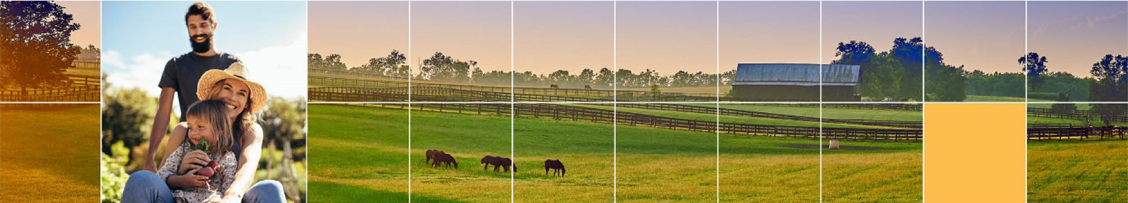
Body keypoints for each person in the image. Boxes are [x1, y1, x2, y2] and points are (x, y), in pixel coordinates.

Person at [124, 64, 283, 203]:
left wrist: (231, 197)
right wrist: (181, 174)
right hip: (180, 198)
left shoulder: (250, 131)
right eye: (227, 88)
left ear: (246, 104)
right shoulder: (184, 131)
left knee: (271, 188)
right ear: (214, 93)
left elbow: (247, 167)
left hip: (223, 198)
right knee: (141, 178)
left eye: (241, 93)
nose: (232, 97)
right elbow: (161, 177)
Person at [156, 99, 238, 203]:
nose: (194, 132)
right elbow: (160, 176)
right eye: (190, 127)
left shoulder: (226, 157)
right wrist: (182, 179)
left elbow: (229, 187)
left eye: (200, 126)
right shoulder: (183, 150)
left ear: (219, 129)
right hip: (179, 199)